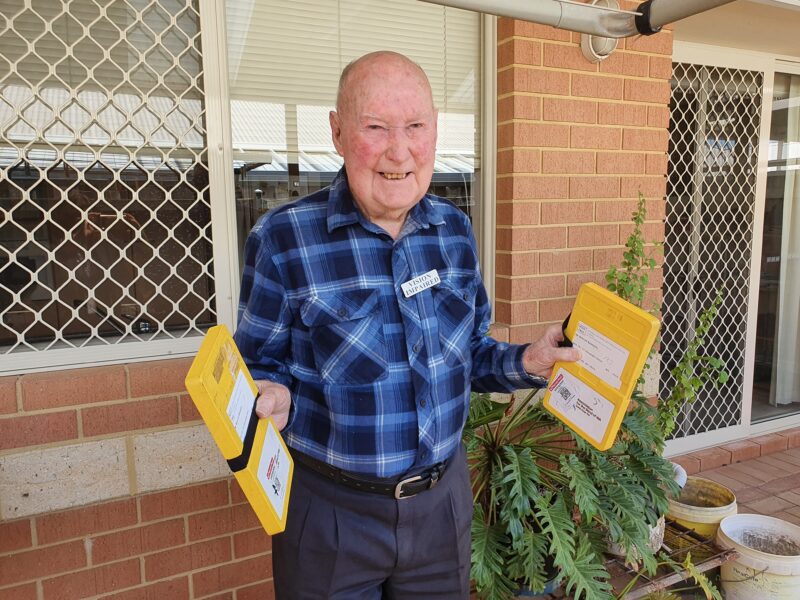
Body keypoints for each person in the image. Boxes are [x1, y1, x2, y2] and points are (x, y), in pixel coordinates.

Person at [234, 51, 580, 599]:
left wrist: (526, 362)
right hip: (330, 517)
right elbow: (256, 365)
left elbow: (466, 352)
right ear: (339, 131)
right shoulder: (283, 239)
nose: (400, 151)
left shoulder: (453, 231)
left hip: (441, 511)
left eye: (416, 127)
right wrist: (266, 393)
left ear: (435, 131)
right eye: (376, 127)